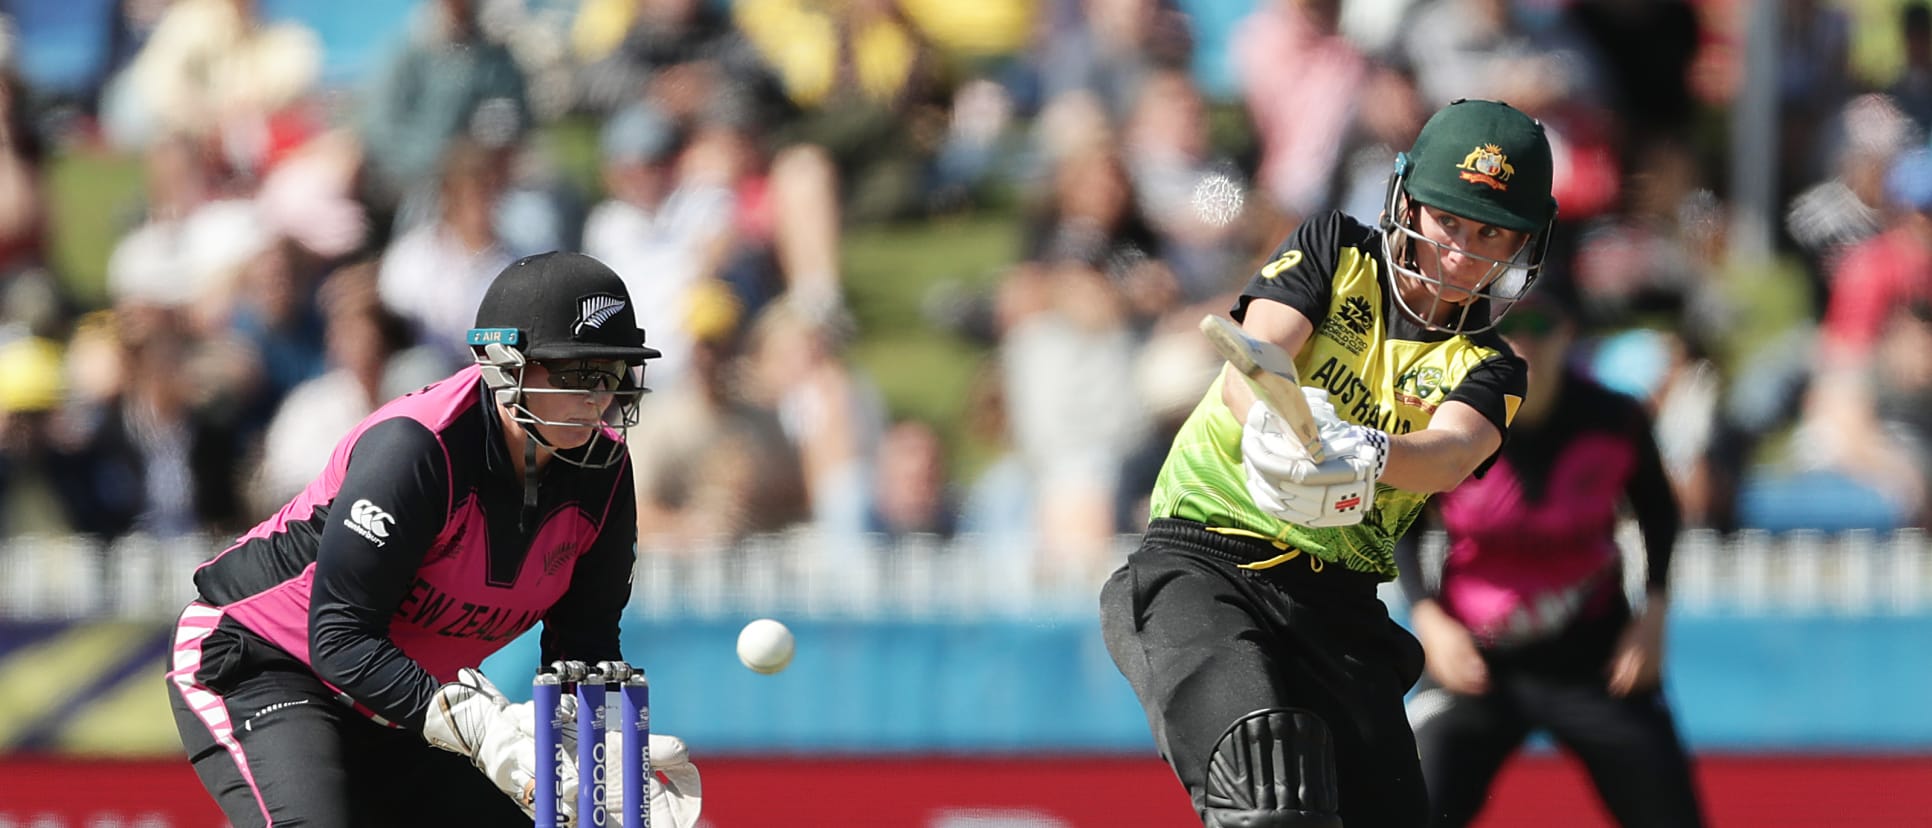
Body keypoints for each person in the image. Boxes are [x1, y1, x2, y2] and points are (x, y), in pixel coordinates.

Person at [1099, 98, 1556, 827]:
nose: (1462, 253)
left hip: (1338, 615)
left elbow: (1450, 452)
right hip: (1208, 565)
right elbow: (1256, 358)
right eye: (1448, 221)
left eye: (1490, 234)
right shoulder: (1337, 250)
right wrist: (1279, 432)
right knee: (1266, 789)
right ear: (1405, 201)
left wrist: (1368, 454)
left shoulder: (1492, 367)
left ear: (1522, 245)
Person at [164, 252, 702, 828]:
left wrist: (604, 768)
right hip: (263, 661)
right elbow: (339, 638)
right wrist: (480, 724)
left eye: (611, 373)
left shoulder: (606, 472)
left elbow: (586, 644)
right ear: (503, 364)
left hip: (405, 697)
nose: (597, 398)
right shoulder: (420, 449)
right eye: (575, 372)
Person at [1396, 292, 1705, 827]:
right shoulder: (1450, 424)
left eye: (1538, 323)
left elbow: (1658, 511)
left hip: (1594, 657)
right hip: (1474, 660)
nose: (1522, 341)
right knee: (1409, 807)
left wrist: (1653, 615)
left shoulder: (1615, 418)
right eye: (1504, 325)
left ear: (1567, 332)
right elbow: (1403, 520)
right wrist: (1427, 618)